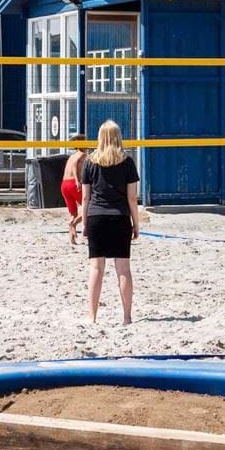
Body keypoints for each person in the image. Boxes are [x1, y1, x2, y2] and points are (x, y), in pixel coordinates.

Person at [79, 120, 139, 324]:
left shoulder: (89, 161)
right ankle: (127, 317)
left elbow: (85, 198)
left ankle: (92, 316)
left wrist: (85, 223)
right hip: (120, 217)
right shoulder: (127, 162)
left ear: (100, 138)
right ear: (118, 137)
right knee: (123, 269)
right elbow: (132, 198)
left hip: (96, 217)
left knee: (96, 269)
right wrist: (136, 223)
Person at [60, 133, 88, 244]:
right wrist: (77, 180)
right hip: (72, 183)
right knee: (89, 207)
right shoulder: (82, 154)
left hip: (64, 185)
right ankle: (74, 224)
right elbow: (75, 165)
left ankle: (72, 238)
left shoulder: (72, 155)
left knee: (73, 213)